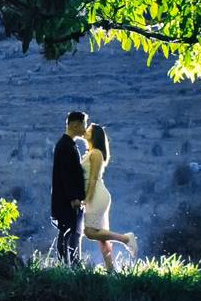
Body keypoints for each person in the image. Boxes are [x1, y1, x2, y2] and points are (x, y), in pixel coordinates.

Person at [81, 123, 138, 271]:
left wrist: (87, 199)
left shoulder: (96, 153)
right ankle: (110, 269)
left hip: (96, 195)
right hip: (95, 195)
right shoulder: (91, 152)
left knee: (90, 232)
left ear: (94, 136)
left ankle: (126, 238)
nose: (85, 131)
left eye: (88, 130)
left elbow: (93, 179)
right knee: (101, 235)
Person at [50, 110, 88, 265]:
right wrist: (74, 198)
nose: (85, 129)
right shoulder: (66, 146)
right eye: (83, 125)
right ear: (74, 125)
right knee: (69, 234)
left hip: (66, 200)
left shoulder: (67, 144)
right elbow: (66, 175)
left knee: (68, 233)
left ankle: (67, 264)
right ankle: (69, 264)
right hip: (67, 201)